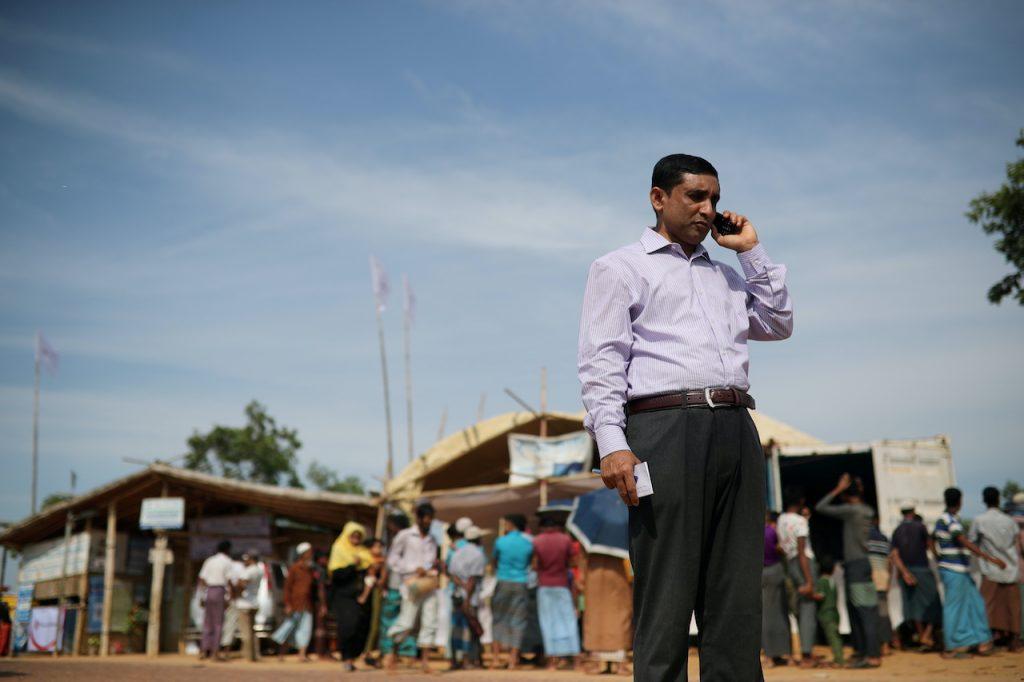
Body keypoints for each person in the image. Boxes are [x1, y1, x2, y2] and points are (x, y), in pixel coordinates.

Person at [579, 153, 792, 681]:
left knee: (737, 593)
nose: (707, 208)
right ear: (658, 198)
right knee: (667, 590)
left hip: (736, 426)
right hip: (662, 429)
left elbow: (778, 323)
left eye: (714, 199)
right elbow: (600, 360)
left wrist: (752, 253)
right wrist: (612, 442)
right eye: (695, 196)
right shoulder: (621, 267)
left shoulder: (727, 277)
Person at [815, 473, 880, 668]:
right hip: (863, 563)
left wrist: (838, 488)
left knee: (864, 611)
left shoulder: (852, 511)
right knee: (860, 610)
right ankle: (863, 652)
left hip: (856, 565)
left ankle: (872, 656)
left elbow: (821, 507)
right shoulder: (867, 510)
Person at [934, 486, 1005, 658]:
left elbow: (932, 538)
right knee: (954, 608)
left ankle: (982, 642)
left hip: (959, 570)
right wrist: (989, 558)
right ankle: (951, 648)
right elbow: (961, 539)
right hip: (954, 570)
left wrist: (939, 558)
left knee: (976, 604)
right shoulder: (948, 519)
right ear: (960, 502)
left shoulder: (947, 519)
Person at [386, 502, 441, 673]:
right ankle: (393, 654)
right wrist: (410, 569)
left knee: (430, 621)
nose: (428, 521)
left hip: (429, 584)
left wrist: (430, 569)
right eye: (425, 518)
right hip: (411, 584)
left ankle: (425, 662)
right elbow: (392, 558)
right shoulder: (405, 535)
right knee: (407, 622)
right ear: (418, 518)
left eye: (431, 518)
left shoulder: (432, 540)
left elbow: (433, 561)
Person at [968, 486, 1021, 652]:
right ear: (998, 499)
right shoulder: (1009, 521)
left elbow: (972, 543)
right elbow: (1015, 541)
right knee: (1012, 607)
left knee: (987, 606)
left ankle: (986, 640)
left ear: (984, 500)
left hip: (990, 570)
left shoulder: (979, 520)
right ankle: (1014, 641)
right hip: (1011, 569)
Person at [776, 486, 818, 667]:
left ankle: (804, 650)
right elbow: (802, 551)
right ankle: (807, 654)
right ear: (801, 502)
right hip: (804, 564)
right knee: (808, 607)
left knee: (800, 608)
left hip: (790, 563)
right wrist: (809, 580)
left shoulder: (781, 519)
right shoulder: (800, 521)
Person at [532, 515, 581, 670]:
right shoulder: (565, 539)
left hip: (544, 585)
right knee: (568, 621)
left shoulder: (537, 540)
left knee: (548, 622)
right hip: (562, 584)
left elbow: (534, 565)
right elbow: (573, 561)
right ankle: (576, 659)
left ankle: (552, 661)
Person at [890, 505, 940, 649]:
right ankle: (926, 635)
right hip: (922, 569)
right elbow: (930, 545)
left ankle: (921, 634)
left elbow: (894, 554)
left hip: (906, 573)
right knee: (933, 602)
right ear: (913, 512)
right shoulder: (920, 527)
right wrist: (938, 559)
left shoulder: (897, 530)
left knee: (913, 606)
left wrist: (905, 572)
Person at [329, 522, 375, 672]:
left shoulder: (364, 552)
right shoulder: (339, 549)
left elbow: (371, 569)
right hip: (344, 596)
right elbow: (336, 575)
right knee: (349, 626)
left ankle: (353, 657)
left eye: (358, 535)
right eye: (353, 535)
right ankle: (347, 657)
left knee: (362, 628)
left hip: (362, 596)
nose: (355, 538)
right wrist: (353, 566)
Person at [490, 513, 533, 669]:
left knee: (498, 619)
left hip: (503, 581)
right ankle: (513, 660)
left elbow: (494, 561)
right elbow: (529, 563)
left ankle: (495, 658)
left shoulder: (501, 541)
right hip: (521, 583)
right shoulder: (528, 543)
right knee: (518, 621)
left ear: (511, 524)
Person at [377, 512, 418, 664]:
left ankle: (389, 652)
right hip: (410, 585)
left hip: (397, 585)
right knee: (408, 618)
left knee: (390, 619)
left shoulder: (399, 539)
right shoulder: (414, 539)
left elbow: (390, 564)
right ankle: (407, 653)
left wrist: (382, 580)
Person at [582, 554, 633, 676]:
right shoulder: (621, 543)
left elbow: (582, 561)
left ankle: (595, 663)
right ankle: (620, 664)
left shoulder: (593, 542)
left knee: (595, 617)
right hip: (618, 576)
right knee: (620, 615)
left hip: (594, 576)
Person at [448, 525, 487, 669]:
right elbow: (472, 579)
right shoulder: (478, 554)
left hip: (456, 594)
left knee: (456, 628)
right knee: (470, 630)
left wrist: (461, 586)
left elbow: (452, 575)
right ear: (478, 539)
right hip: (470, 598)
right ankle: (469, 661)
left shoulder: (457, 552)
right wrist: (467, 600)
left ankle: (454, 660)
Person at [272, 542, 315, 661]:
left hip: (307, 604)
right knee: (289, 628)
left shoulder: (310, 569)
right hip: (295, 604)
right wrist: (288, 603)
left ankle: (302, 654)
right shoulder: (295, 568)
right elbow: (287, 587)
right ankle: (281, 654)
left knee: (305, 629)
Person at [761, 511, 790, 667]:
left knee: (766, 613)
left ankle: (770, 654)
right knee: (777, 612)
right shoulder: (772, 532)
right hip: (774, 571)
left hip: (761, 572)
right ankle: (775, 654)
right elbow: (781, 549)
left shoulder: (755, 531)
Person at [197, 540, 233, 660]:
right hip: (219, 591)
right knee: (218, 623)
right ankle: (214, 652)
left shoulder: (210, 561)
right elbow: (229, 581)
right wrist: (229, 597)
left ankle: (203, 650)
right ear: (228, 550)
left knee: (207, 623)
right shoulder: (227, 562)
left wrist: (202, 595)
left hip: (209, 591)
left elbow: (202, 579)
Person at [867, 517, 895, 653]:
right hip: (883, 580)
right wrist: (888, 580)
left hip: (868, 580)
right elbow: (890, 562)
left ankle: (875, 646)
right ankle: (886, 645)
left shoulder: (863, 538)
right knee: (883, 614)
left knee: (870, 614)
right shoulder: (884, 539)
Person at [813, 556, 844, 668]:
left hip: (826, 614)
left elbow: (820, 596)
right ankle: (839, 658)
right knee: (836, 636)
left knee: (832, 637)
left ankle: (839, 660)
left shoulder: (822, 581)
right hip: (834, 613)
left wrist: (810, 594)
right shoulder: (832, 581)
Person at [233, 550, 263, 662]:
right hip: (254, 603)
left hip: (245, 604)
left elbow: (242, 584)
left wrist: (237, 591)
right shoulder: (259, 570)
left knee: (245, 632)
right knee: (252, 631)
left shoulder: (249, 571)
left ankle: (248, 656)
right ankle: (255, 655)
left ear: (251, 559)